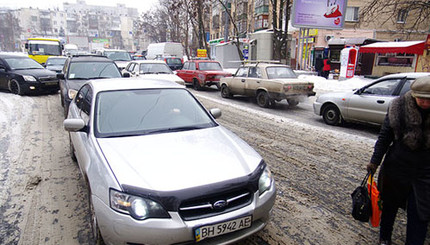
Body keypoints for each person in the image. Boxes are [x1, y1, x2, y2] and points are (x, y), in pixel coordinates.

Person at [367, 76, 430, 245]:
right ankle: (385, 237)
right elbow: (385, 136)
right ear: (414, 94)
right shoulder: (398, 107)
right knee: (389, 206)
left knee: (421, 212)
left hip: (425, 170)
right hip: (397, 166)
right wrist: (374, 162)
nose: (425, 103)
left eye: (429, 100)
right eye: (421, 99)